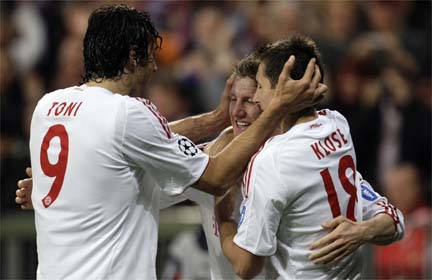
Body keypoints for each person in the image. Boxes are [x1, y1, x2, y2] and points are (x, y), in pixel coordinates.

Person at [17, 51, 403, 279]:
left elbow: (386, 211)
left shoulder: (301, 157)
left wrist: (365, 230)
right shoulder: (206, 158)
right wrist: (70, 184)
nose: (239, 110)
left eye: (251, 100)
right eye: (231, 100)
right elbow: (134, 167)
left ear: (272, 102)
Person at [25, 4, 325, 280]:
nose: (154, 67)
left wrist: (215, 120)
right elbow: (217, 176)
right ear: (132, 57)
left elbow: (128, 142)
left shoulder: (47, 107)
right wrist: (276, 109)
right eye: (149, 56)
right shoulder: (128, 114)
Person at [215, 35, 404, 279]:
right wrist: (363, 231)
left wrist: (223, 221)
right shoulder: (337, 126)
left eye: (260, 87)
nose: (258, 98)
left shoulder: (270, 160)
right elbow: (395, 220)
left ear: (284, 90)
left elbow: (246, 265)